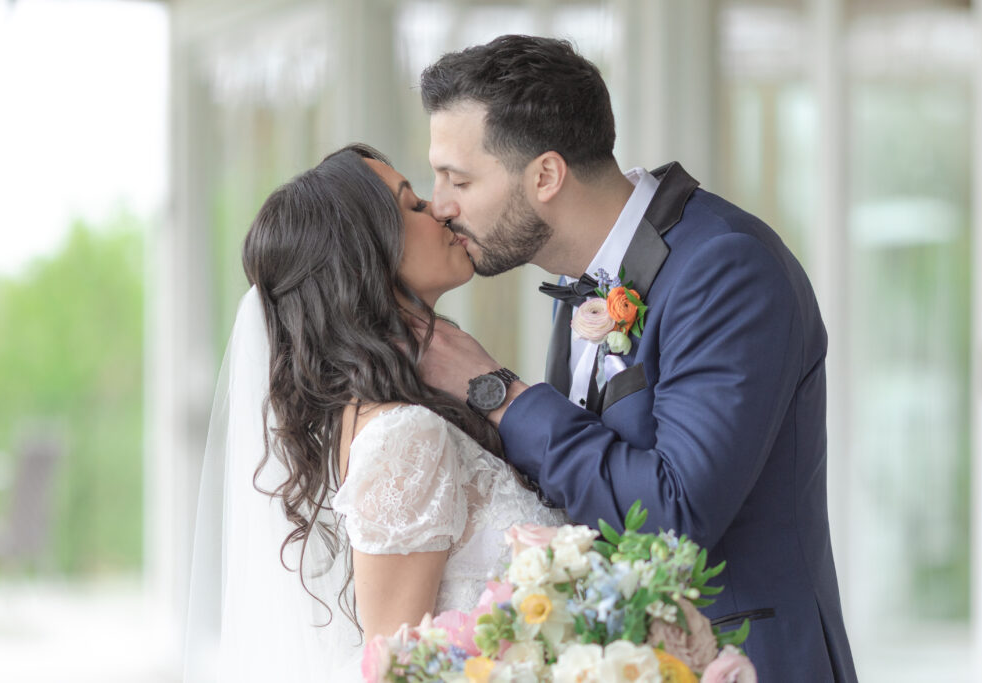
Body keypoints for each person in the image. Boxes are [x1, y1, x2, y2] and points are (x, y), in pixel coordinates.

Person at [415, 35, 858, 682]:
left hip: (746, 661)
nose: (440, 204)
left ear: (545, 174)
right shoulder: (583, 284)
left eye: (458, 178)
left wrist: (500, 393)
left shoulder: (725, 267)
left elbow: (675, 517)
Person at [183, 144, 566, 682]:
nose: (439, 210)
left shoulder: (407, 412)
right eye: (411, 206)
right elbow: (399, 669)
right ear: (366, 257)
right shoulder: (403, 435)